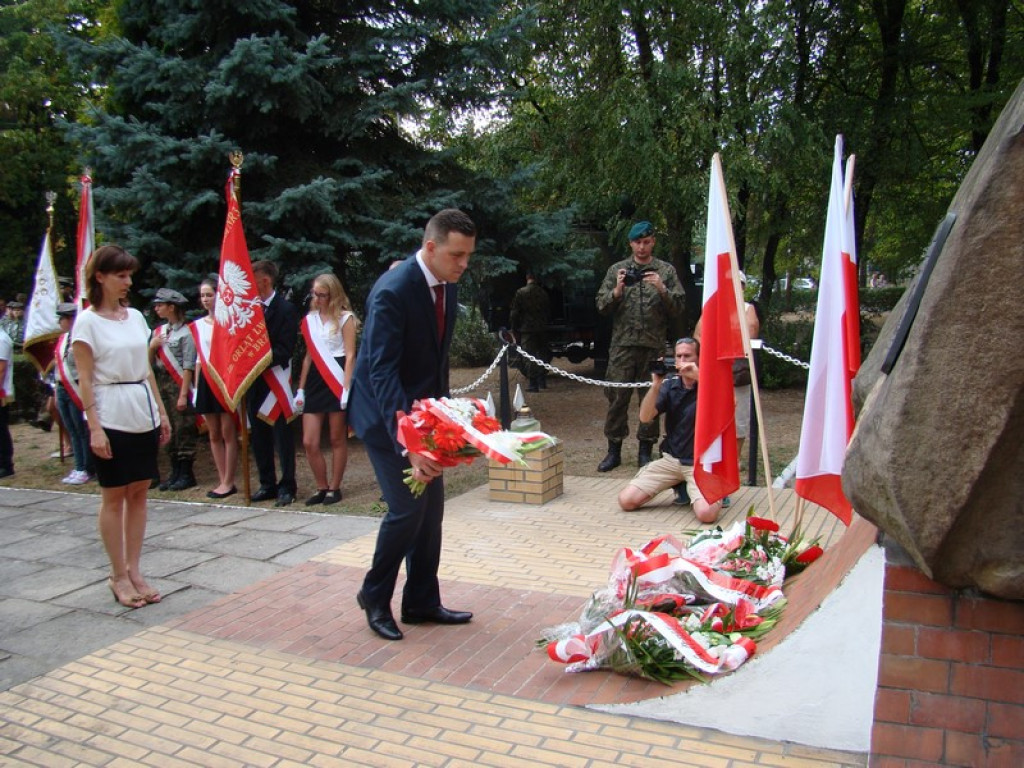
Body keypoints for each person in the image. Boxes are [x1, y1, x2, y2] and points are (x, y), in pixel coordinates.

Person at [349, 208, 477, 641]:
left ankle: (421, 601)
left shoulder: (445, 283)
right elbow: (381, 373)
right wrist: (410, 442)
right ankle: (374, 594)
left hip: (424, 416)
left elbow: (434, 361)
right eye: (456, 255)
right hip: (387, 418)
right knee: (406, 510)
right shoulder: (393, 290)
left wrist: (446, 421)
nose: (463, 264)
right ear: (430, 247)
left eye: (467, 256)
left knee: (431, 513)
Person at [72, 244, 171, 608]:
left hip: (140, 409)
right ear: (100, 276)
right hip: (109, 412)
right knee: (114, 495)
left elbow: (145, 369)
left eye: (130, 275)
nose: (128, 281)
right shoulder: (87, 322)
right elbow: (84, 379)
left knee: (140, 492)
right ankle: (117, 574)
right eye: (121, 275)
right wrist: (94, 427)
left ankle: (134, 569)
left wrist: (160, 412)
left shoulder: (136, 318)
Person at [595, 220, 685, 471]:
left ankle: (645, 451)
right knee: (617, 398)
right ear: (630, 243)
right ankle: (614, 451)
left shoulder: (665, 271)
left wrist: (661, 288)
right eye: (637, 242)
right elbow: (601, 306)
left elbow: (679, 307)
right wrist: (617, 290)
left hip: (653, 346)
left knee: (651, 399)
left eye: (647, 242)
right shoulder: (617, 270)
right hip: (622, 347)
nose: (642, 247)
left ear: (653, 241)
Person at [617, 337, 722, 524]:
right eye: (678, 356)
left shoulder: (712, 382)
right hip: (671, 460)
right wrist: (656, 385)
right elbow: (645, 417)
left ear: (699, 358)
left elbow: (730, 406)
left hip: (701, 463)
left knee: (707, 515)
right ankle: (680, 484)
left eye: (688, 356)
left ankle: (693, 488)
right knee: (627, 501)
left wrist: (700, 378)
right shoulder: (670, 385)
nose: (682, 360)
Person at [691, 270, 759, 507]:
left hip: (737, 376)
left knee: (738, 424)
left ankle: (732, 469)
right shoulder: (713, 306)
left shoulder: (748, 308)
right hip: (714, 376)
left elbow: (748, 333)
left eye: (738, 284)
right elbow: (699, 335)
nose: (734, 288)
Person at [294, 273, 358, 506]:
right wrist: (300, 389)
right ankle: (320, 485)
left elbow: (351, 355)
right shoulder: (310, 320)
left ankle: (334, 487)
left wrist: (346, 388)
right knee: (310, 441)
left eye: (322, 295)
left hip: (337, 376)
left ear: (333, 295)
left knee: (336, 437)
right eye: (315, 294)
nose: (318, 298)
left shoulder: (345, 318)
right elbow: (308, 357)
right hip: (315, 380)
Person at [246, 260, 300, 507]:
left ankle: (287, 485)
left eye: (252, 279)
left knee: (282, 437)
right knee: (258, 437)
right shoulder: (248, 311)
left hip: (275, 382)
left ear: (265, 280)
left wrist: (256, 360)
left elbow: (285, 349)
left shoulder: (285, 309)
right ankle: (267, 483)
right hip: (254, 384)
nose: (248, 284)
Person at [190, 277, 239, 499]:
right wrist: (196, 388)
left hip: (224, 380)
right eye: (203, 296)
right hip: (206, 381)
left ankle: (229, 480)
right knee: (214, 433)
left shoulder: (228, 323)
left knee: (228, 432)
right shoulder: (198, 326)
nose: (206, 299)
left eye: (209, 294)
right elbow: (199, 359)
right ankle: (221, 478)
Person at [148, 288, 199, 491]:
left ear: (172, 307)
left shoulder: (186, 333)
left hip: (178, 384)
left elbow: (188, 365)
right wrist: (151, 347)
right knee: (168, 427)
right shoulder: (159, 333)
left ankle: (186, 473)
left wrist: (184, 394)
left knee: (183, 427)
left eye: (160, 305)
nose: (157, 308)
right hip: (161, 383)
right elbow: (149, 364)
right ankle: (174, 471)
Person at [54, 302, 95, 484]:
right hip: (62, 387)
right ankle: (78, 465)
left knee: (81, 429)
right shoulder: (63, 339)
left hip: (77, 387)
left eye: (62, 318)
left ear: (71, 319)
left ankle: (86, 467)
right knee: (71, 428)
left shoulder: (81, 339)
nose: (60, 322)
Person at [509, 273, 551, 392]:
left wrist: (514, 327)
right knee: (542, 353)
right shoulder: (543, 293)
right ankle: (542, 380)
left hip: (527, 329)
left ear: (527, 278)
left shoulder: (521, 292)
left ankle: (533, 384)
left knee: (529, 355)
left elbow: (515, 313)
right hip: (542, 328)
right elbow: (548, 311)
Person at [0, 323, 14, 479]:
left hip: (1, 392)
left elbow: (1, 368)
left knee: (1, 429)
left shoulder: (2, 339)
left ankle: (6, 464)